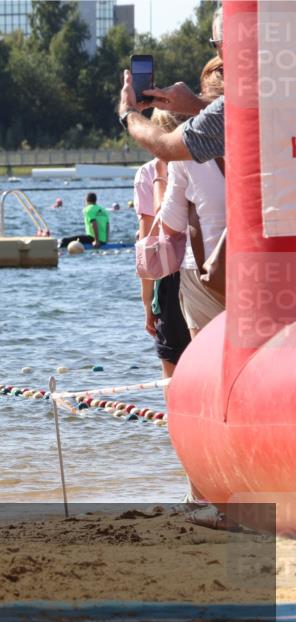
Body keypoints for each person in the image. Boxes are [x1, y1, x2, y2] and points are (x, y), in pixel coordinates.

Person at [155, 58, 226, 340]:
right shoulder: (272, 137)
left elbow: (170, 225)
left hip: (206, 278)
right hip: (266, 269)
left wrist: (163, 175)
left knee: (212, 373)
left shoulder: (185, 159)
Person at [118, 8, 223, 165]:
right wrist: (197, 104)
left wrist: (128, 113)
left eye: (215, 44)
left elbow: (166, 147)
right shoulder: (267, 93)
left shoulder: (236, 106)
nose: (218, 56)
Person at [135, 111, 190, 386]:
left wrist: (147, 303)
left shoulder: (148, 172)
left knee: (171, 366)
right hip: (207, 265)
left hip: (170, 273)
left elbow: (149, 242)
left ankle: (175, 428)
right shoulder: (205, 159)